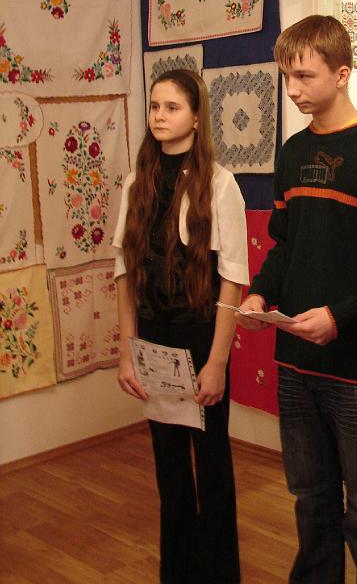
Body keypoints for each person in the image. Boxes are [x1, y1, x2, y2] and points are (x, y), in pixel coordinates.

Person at [238, 15, 357, 584]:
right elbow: (286, 244)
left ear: (342, 74)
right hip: (296, 364)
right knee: (311, 502)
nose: (292, 90)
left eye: (304, 76)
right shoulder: (293, 153)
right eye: (286, 77)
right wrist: (260, 292)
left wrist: (341, 318)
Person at [113, 69, 249, 584]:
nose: (159, 116)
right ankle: (179, 572)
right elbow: (125, 274)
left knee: (211, 465)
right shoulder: (137, 182)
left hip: (200, 336)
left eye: (172, 107)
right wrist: (127, 352)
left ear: (195, 117)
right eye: (154, 106)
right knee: (168, 464)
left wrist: (217, 363)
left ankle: (218, 574)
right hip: (153, 338)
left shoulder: (219, 183)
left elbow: (232, 280)